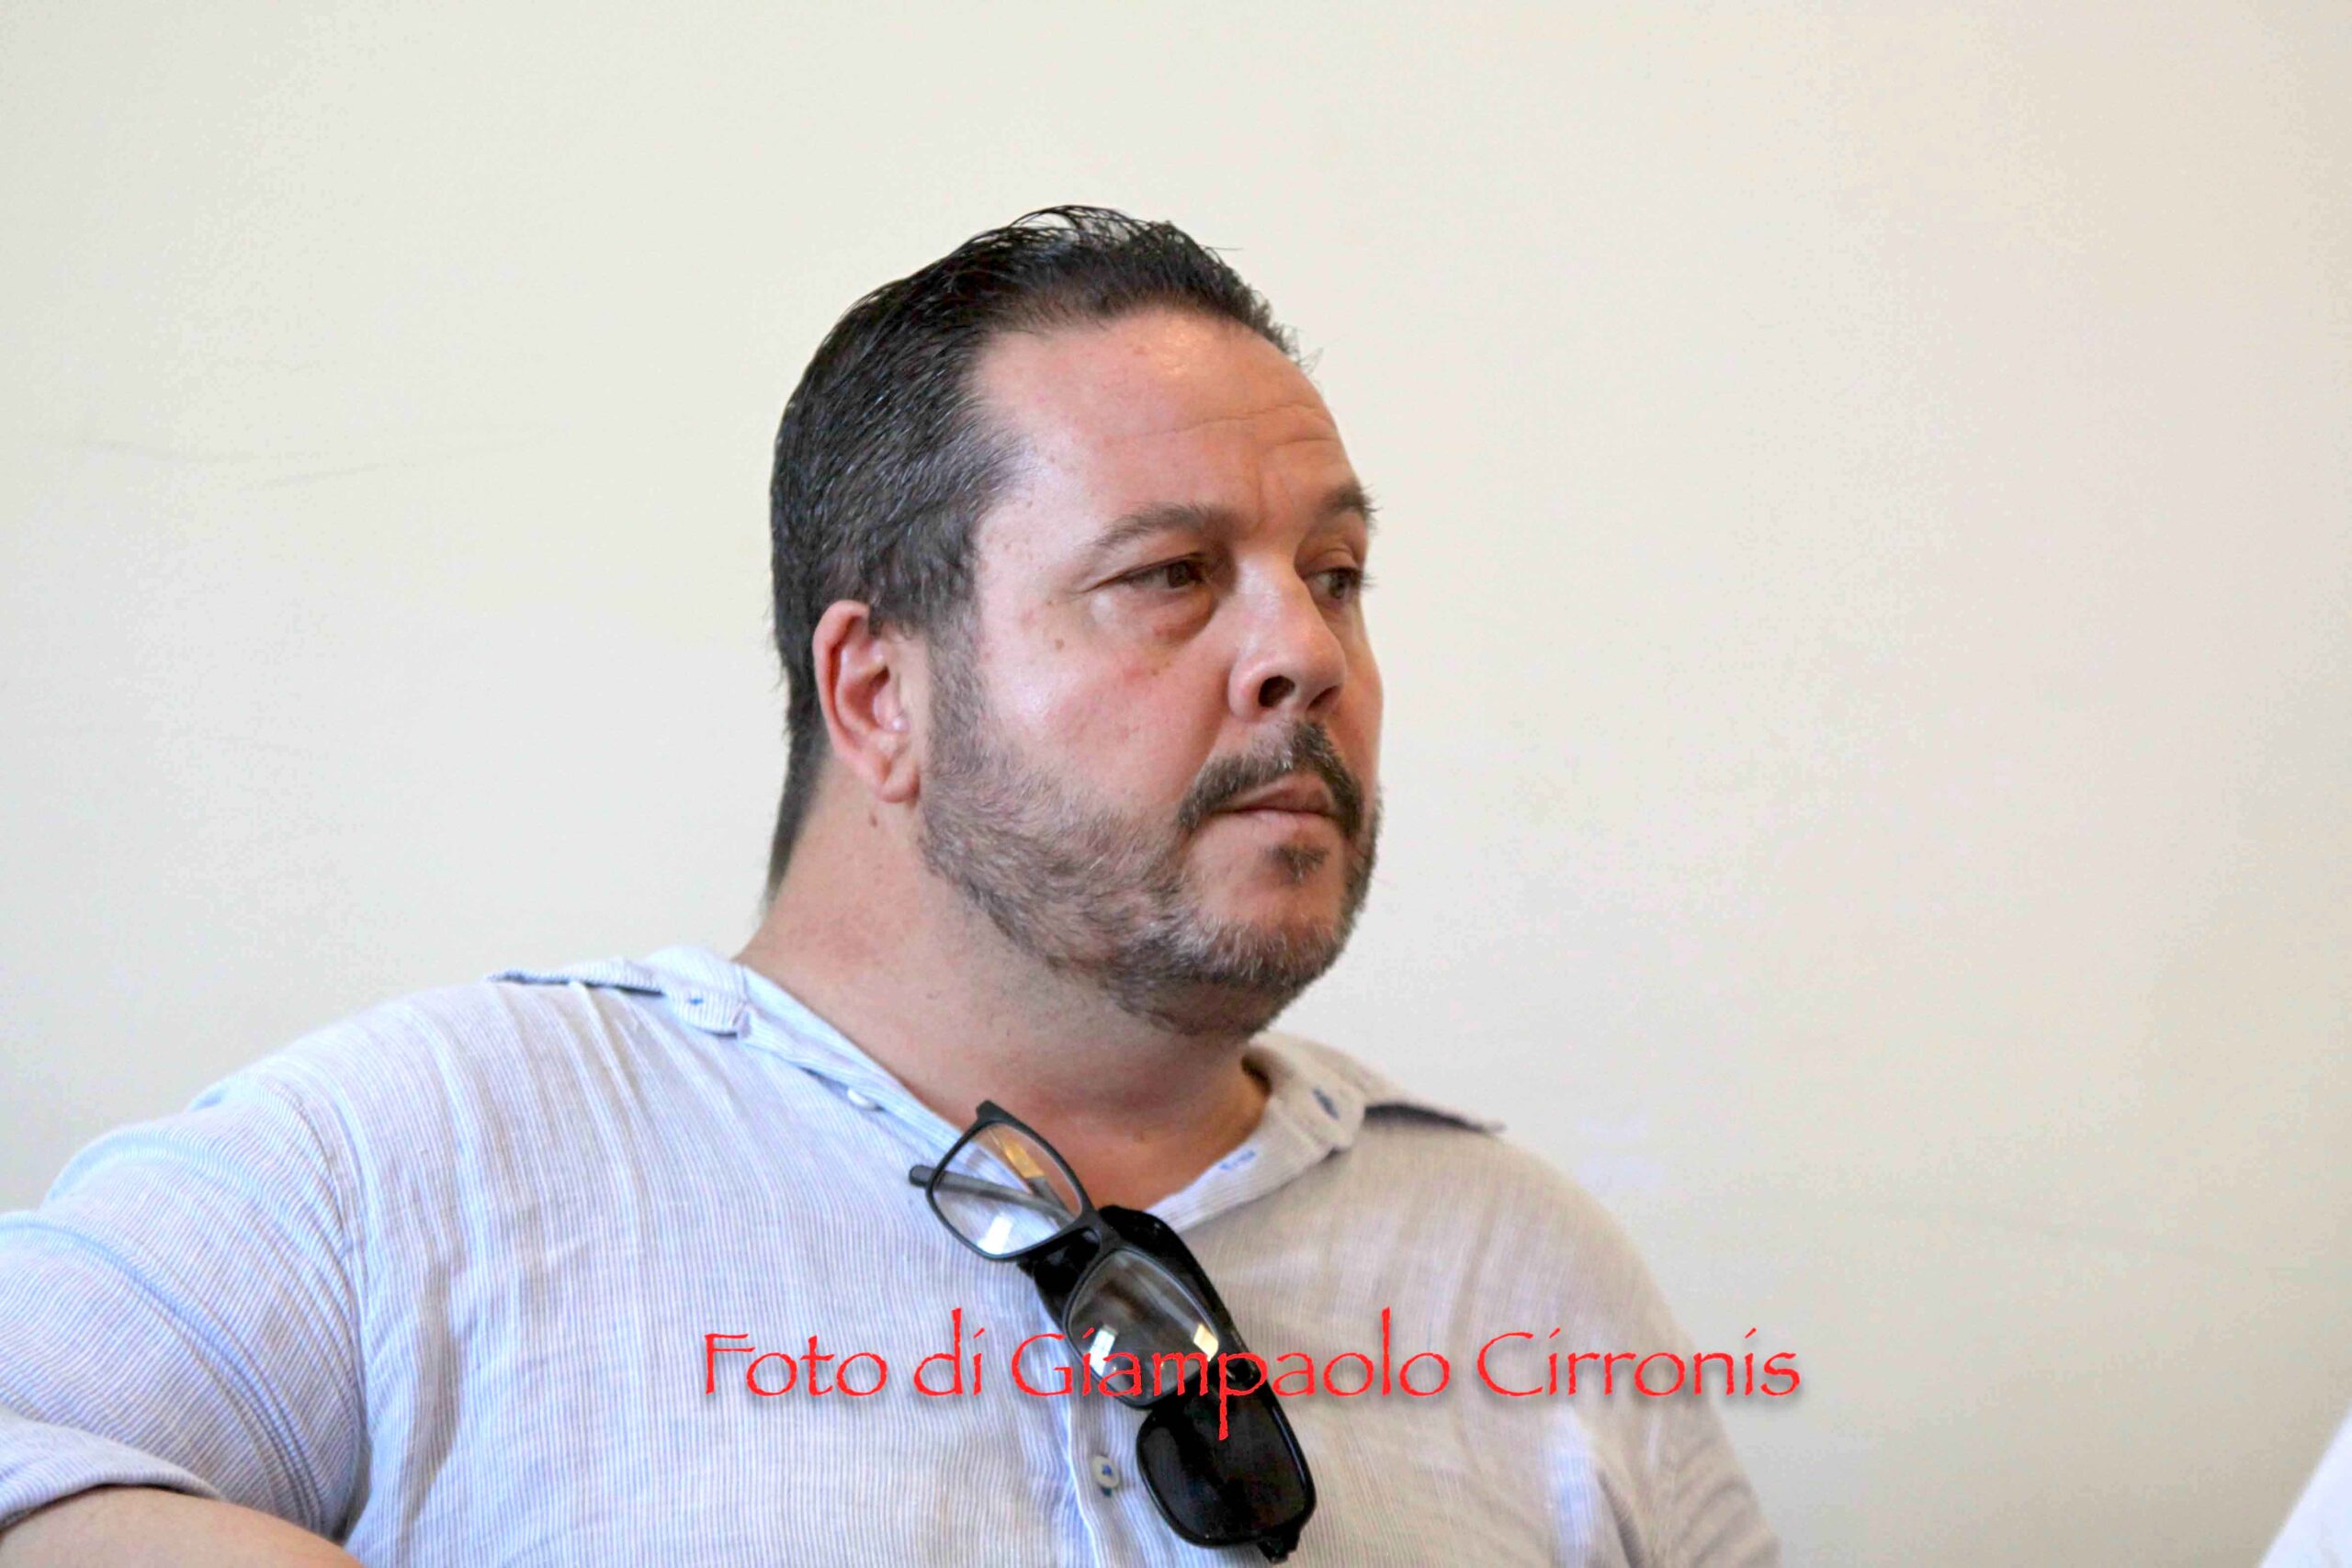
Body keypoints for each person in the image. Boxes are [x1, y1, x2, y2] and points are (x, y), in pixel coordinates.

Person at [0, 207, 1777, 1565]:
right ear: (877, 693)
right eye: (1170, 575)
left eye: (1338, 574)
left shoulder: (1524, 1267)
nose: (1303, 653)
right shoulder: (435, 1154)